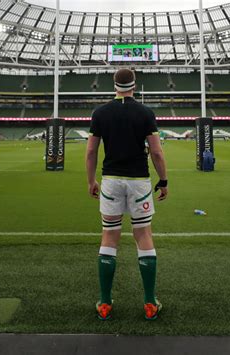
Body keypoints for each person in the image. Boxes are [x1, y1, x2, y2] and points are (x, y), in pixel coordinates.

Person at [86, 68, 168, 321]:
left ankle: (105, 303)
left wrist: (91, 181)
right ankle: (149, 303)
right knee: (143, 235)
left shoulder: (100, 113)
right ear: (135, 85)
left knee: (109, 237)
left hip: (110, 181)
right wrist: (163, 180)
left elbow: (91, 152)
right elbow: (156, 152)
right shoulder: (145, 112)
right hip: (139, 182)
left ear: (114, 85)